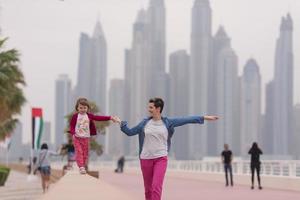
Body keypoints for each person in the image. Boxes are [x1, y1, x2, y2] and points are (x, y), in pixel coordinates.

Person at [114, 97, 219, 200]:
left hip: (161, 158)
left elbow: (186, 119)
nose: (148, 110)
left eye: (151, 107)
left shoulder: (168, 122)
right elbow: (130, 132)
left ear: (158, 109)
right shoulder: (144, 123)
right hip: (145, 159)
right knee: (148, 190)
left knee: (156, 187)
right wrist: (121, 123)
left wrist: (204, 117)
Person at [68, 97, 116, 174]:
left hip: (86, 138)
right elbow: (72, 126)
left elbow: (99, 118)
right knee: (79, 152)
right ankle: (81, 167)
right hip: (77, 138)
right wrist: (73, 133)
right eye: (81, 108)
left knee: (85, 153)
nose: (83, 109)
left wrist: (110, 117)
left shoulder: (89, 116)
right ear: (77, 108)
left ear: (87, 108)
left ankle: (83, 165)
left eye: (84, 108)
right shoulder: (75, 116)